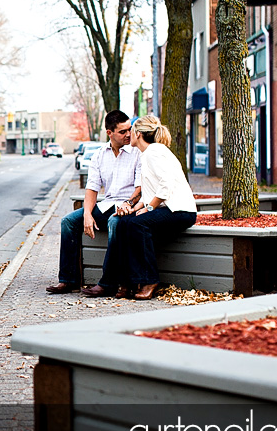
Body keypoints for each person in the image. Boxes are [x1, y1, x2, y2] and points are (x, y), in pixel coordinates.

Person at [83, 115, 197, 300]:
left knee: (137, 225)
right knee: (124, 222)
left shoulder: (154, 151)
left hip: (180, 211)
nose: (129, 135)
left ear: (138, 134)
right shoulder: (146, 154)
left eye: (131, 131)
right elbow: (149, 193)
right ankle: (127, 282)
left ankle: (149, 280)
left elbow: (165, 186)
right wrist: (131, 207)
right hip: (166, 209)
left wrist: (149, 209)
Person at [46, 110, 142, 294]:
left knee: (115, 223)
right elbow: (92, 189)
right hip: (107, 205)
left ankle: (108, 283)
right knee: (69, 222)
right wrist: (88, 215)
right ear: (109, 133)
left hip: (130, 207)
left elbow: (140, 189)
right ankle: (68, 280)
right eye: (123, 131)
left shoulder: (137, 153)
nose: (128, 134)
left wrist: (128, 204)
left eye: (129, 129)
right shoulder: (99, 155)